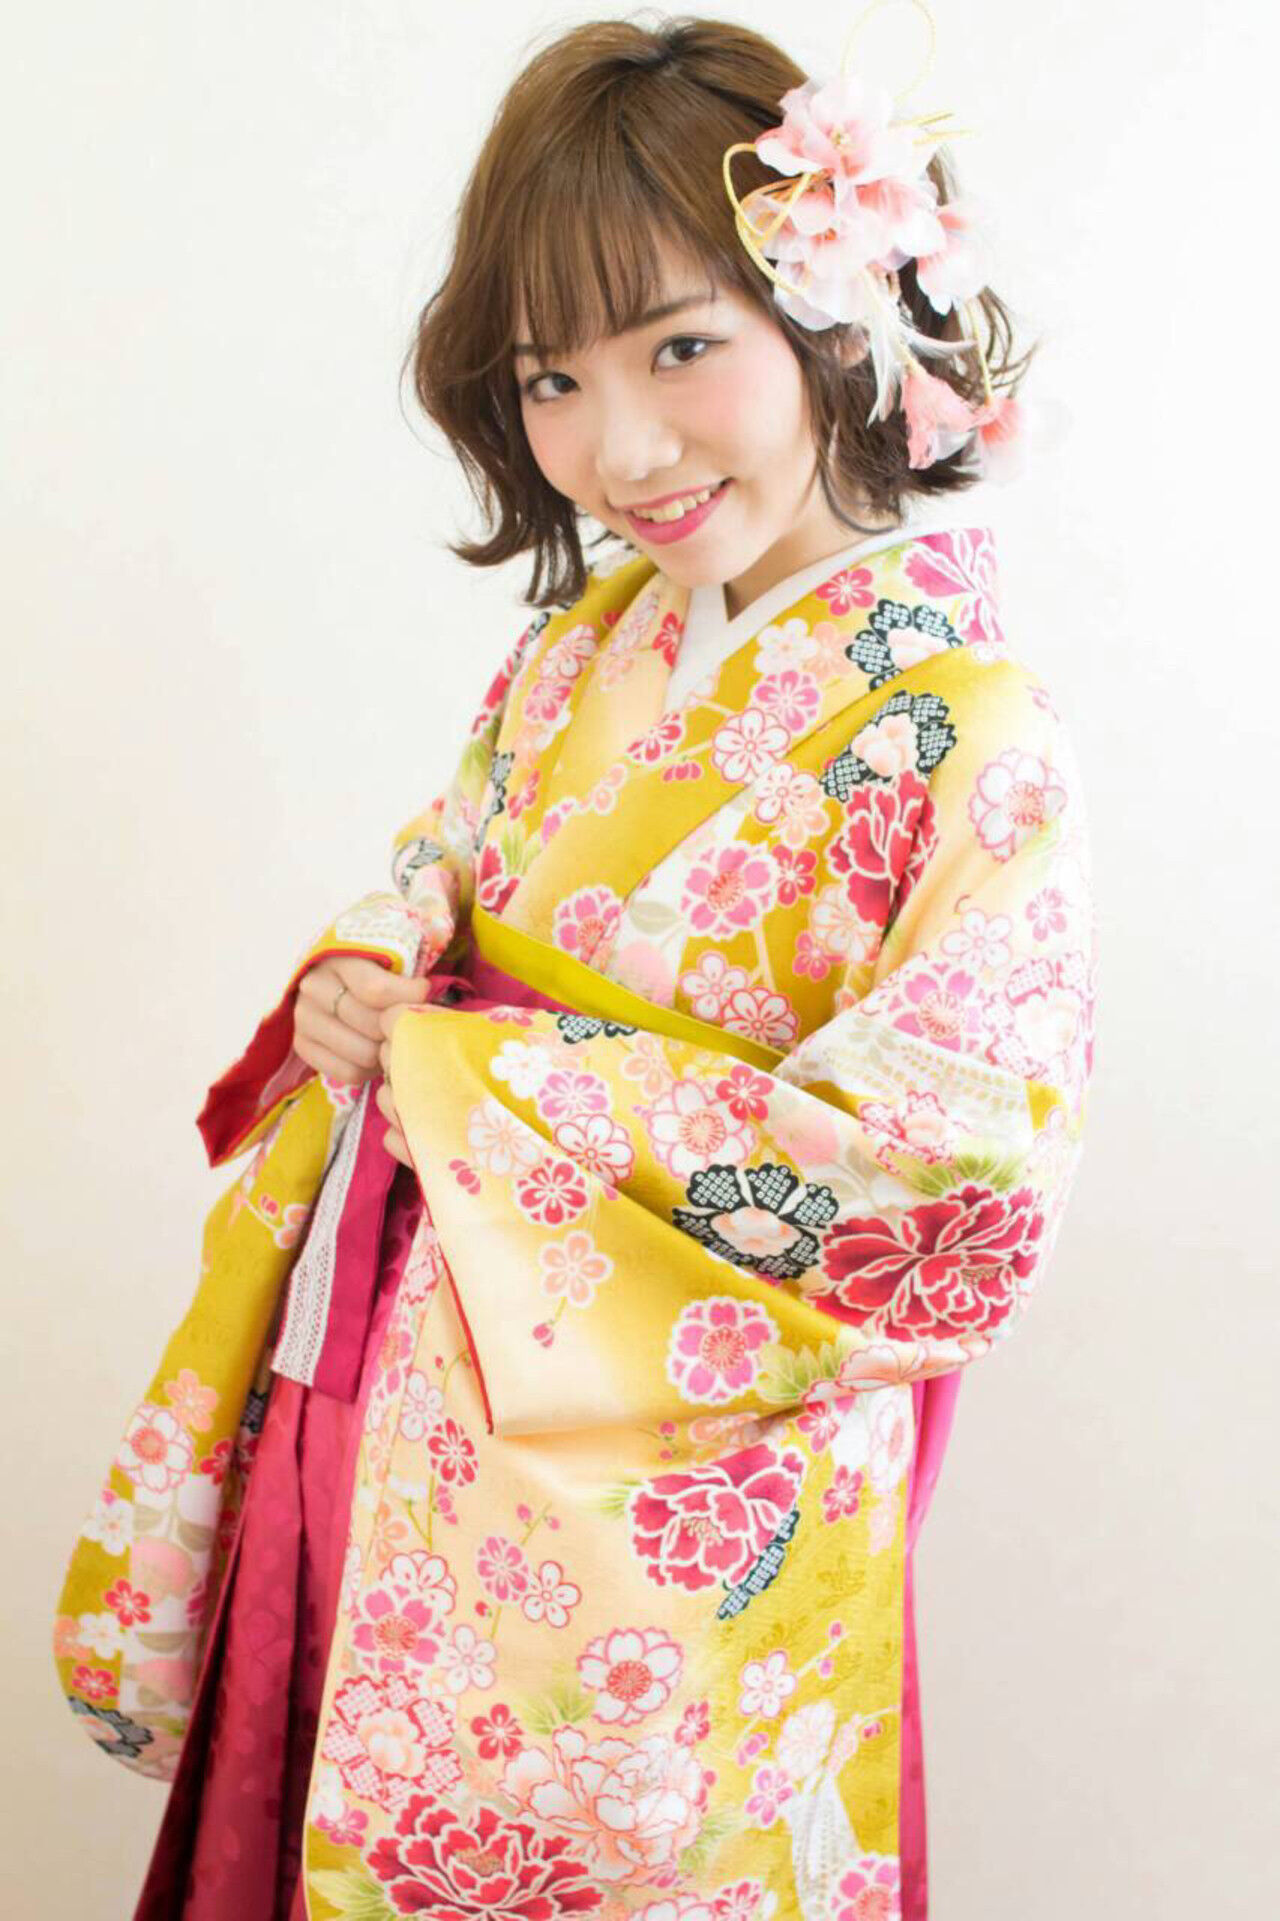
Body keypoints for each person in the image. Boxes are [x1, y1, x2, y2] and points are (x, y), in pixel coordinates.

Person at [54, 12, 1095, 1919]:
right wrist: (370, 976)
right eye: (551, 378)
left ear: (843, 314)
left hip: (656, 1513)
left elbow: (956, 1183)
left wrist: (489, 1081)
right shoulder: (583, 647)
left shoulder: (971, 730)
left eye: (681, 347)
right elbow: (440, 875)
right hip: (390, 1381)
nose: (618, 449)